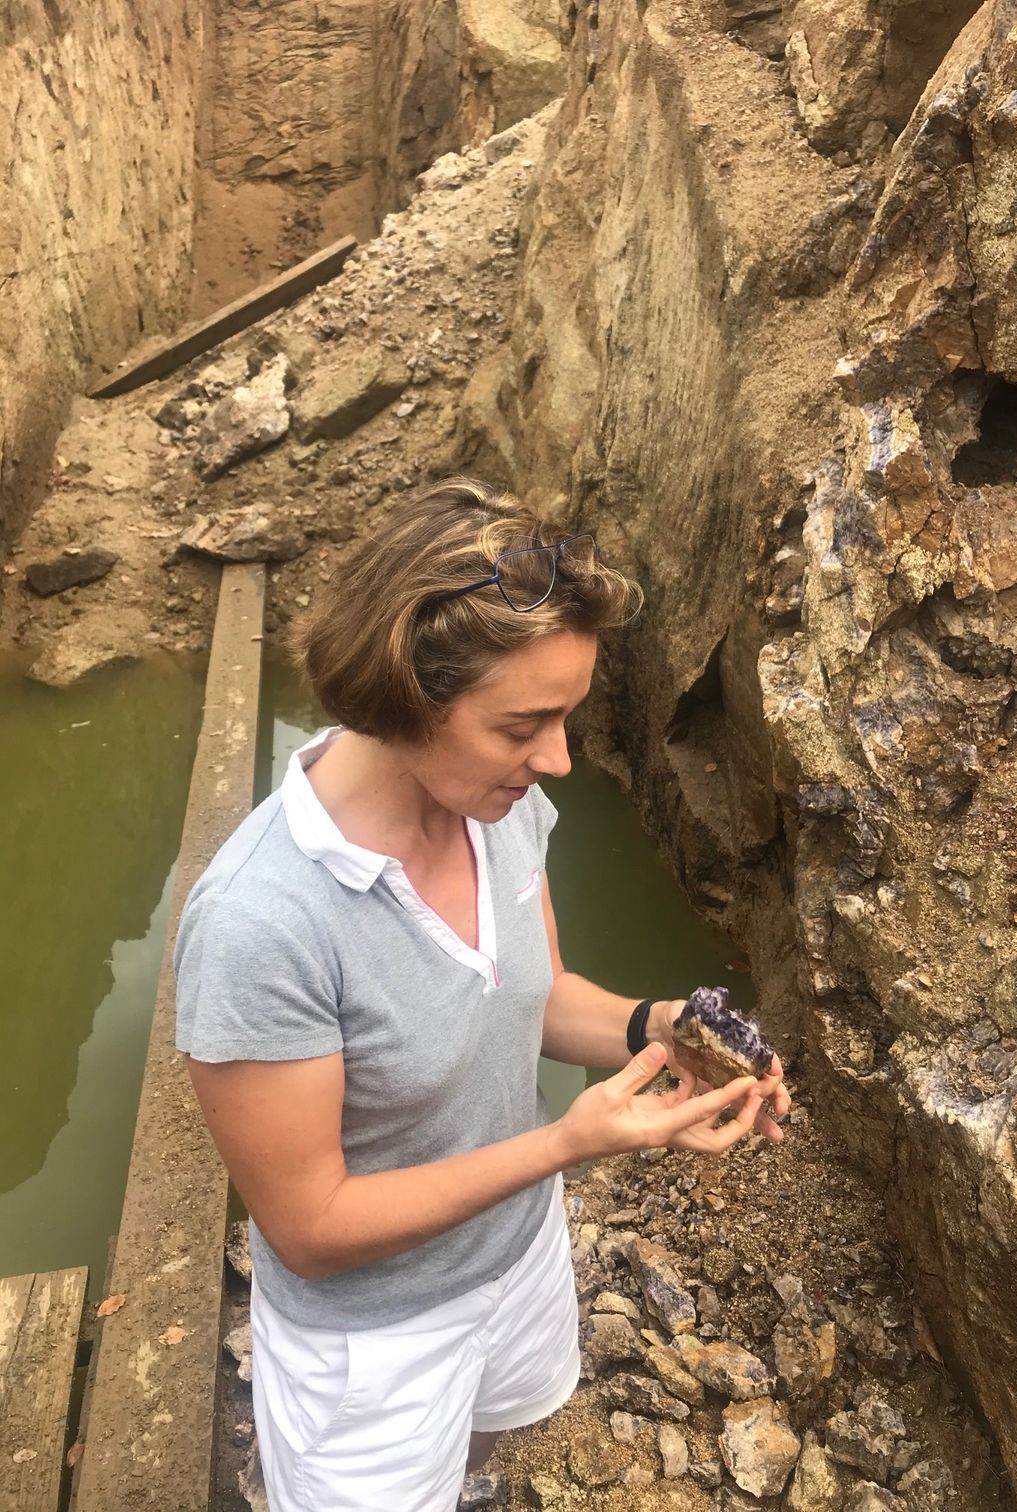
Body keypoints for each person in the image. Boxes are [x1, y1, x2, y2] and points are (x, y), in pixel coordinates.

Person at [174, 477, 790, 1512]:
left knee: (480, 1447)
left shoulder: (500, 810)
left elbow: (532, 998)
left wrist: (657, 1028)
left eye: (567, 718)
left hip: (517, 1251)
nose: (554, 761)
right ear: (404, 695)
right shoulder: (257, 926)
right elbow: (310, 1227)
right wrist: (567, 1144)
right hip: (372, 1344)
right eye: (523, 726)